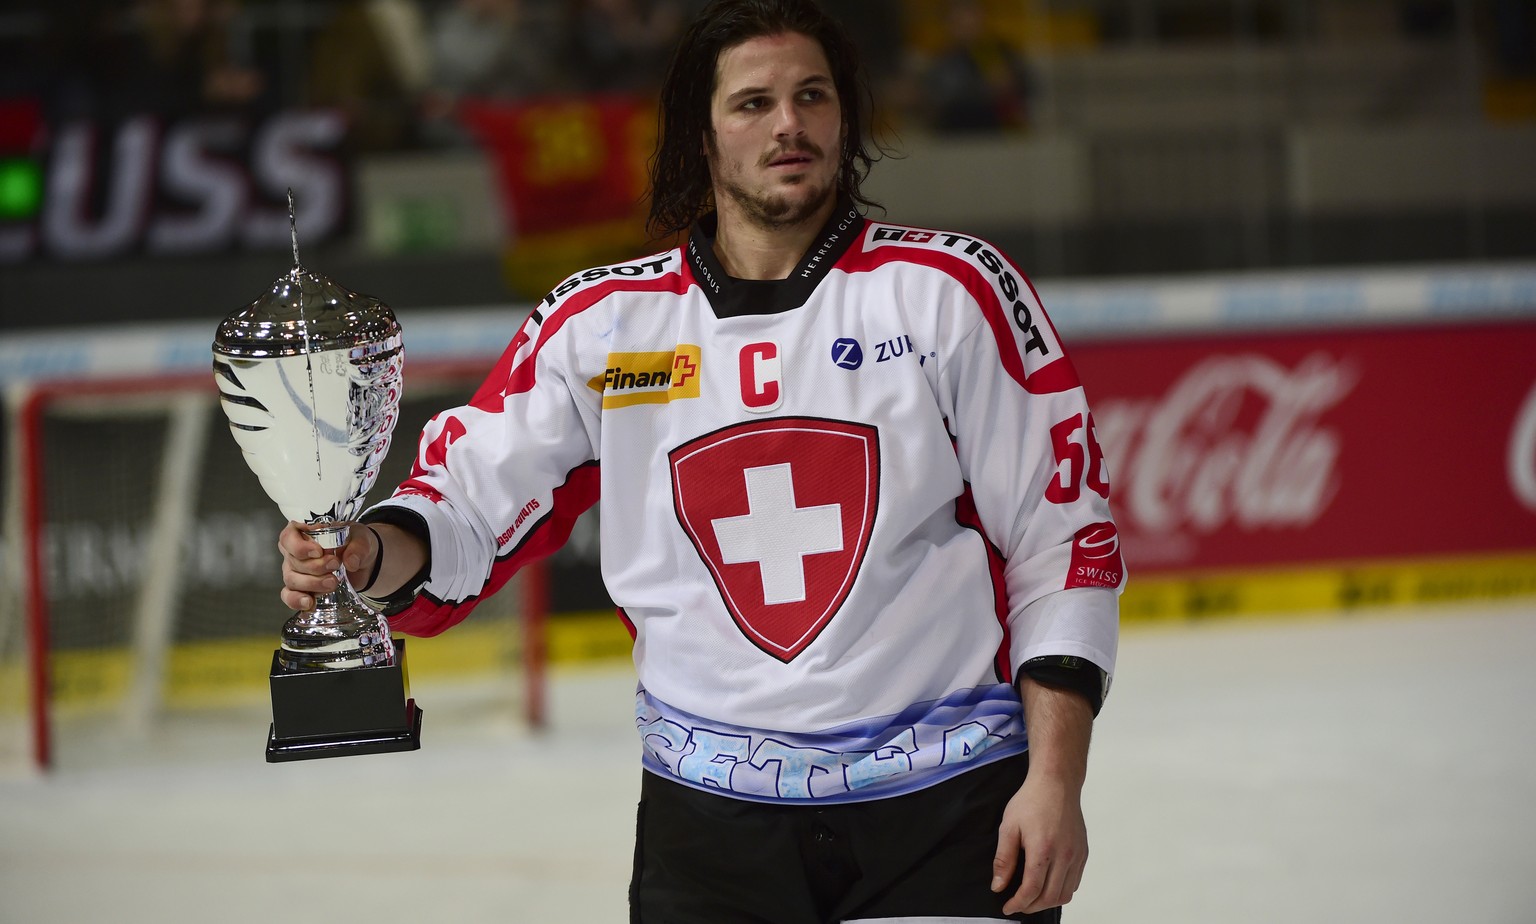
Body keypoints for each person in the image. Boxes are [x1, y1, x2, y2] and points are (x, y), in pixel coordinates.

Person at [279, 1, 1122, 920]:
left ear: (847, 117)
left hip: (948, 813)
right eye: (752, 103)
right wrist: (369, 550)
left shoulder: (952, 294)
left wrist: (1055, 783)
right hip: (710, 833)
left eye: (812, 96)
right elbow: (470, 503)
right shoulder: (603, 325)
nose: (789, 124)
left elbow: (1063, 544)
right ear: (701, 135)